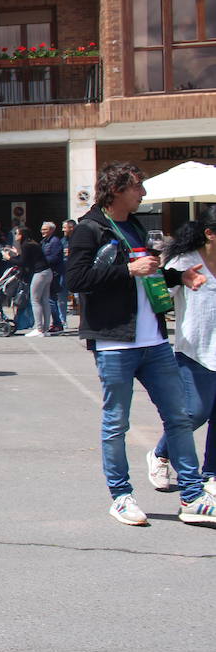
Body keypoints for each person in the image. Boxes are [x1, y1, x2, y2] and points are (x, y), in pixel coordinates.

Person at [67, 161, 215, 526]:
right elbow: (76, 279)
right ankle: (121, 496)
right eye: (137, 188)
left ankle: (193, 497)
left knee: (179, 418)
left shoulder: (134, 225)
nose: (143, 194)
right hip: (115, 342)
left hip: (154, 340)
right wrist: (126, 270)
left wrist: (178, 274)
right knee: (116, 423)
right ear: (116, 189)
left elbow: (147, 273)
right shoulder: (89, 229)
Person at [145, 206, 216, 495]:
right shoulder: (184, 260)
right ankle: (161, 454)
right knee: (195, 412)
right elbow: (159, 296)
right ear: (210, 233)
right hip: (195, 349)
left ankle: (210, 474)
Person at [10, 226, 51, 337]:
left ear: (22, 235)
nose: (15, 236)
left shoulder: (26, 245)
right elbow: (27, 259)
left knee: (35, 300)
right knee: (45, 300)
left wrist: (9, 258)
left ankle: (39, 329)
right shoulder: (33, 243)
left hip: (40, 273)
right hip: (47, 272)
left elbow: (23, 262)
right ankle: (45, 329)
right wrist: (17, 254)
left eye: (17, 233)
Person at [41, 221, 66, 332]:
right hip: (48, 272)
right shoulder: (44, 241)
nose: (42, 231)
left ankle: (57, 323)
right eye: (42, 229)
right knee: (50, 299)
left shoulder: (55, 242)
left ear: (51, 230)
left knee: (51, 299)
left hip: (53, 274)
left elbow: (54, 258)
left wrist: (40, 262)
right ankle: (56, 323)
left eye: (45, 229)